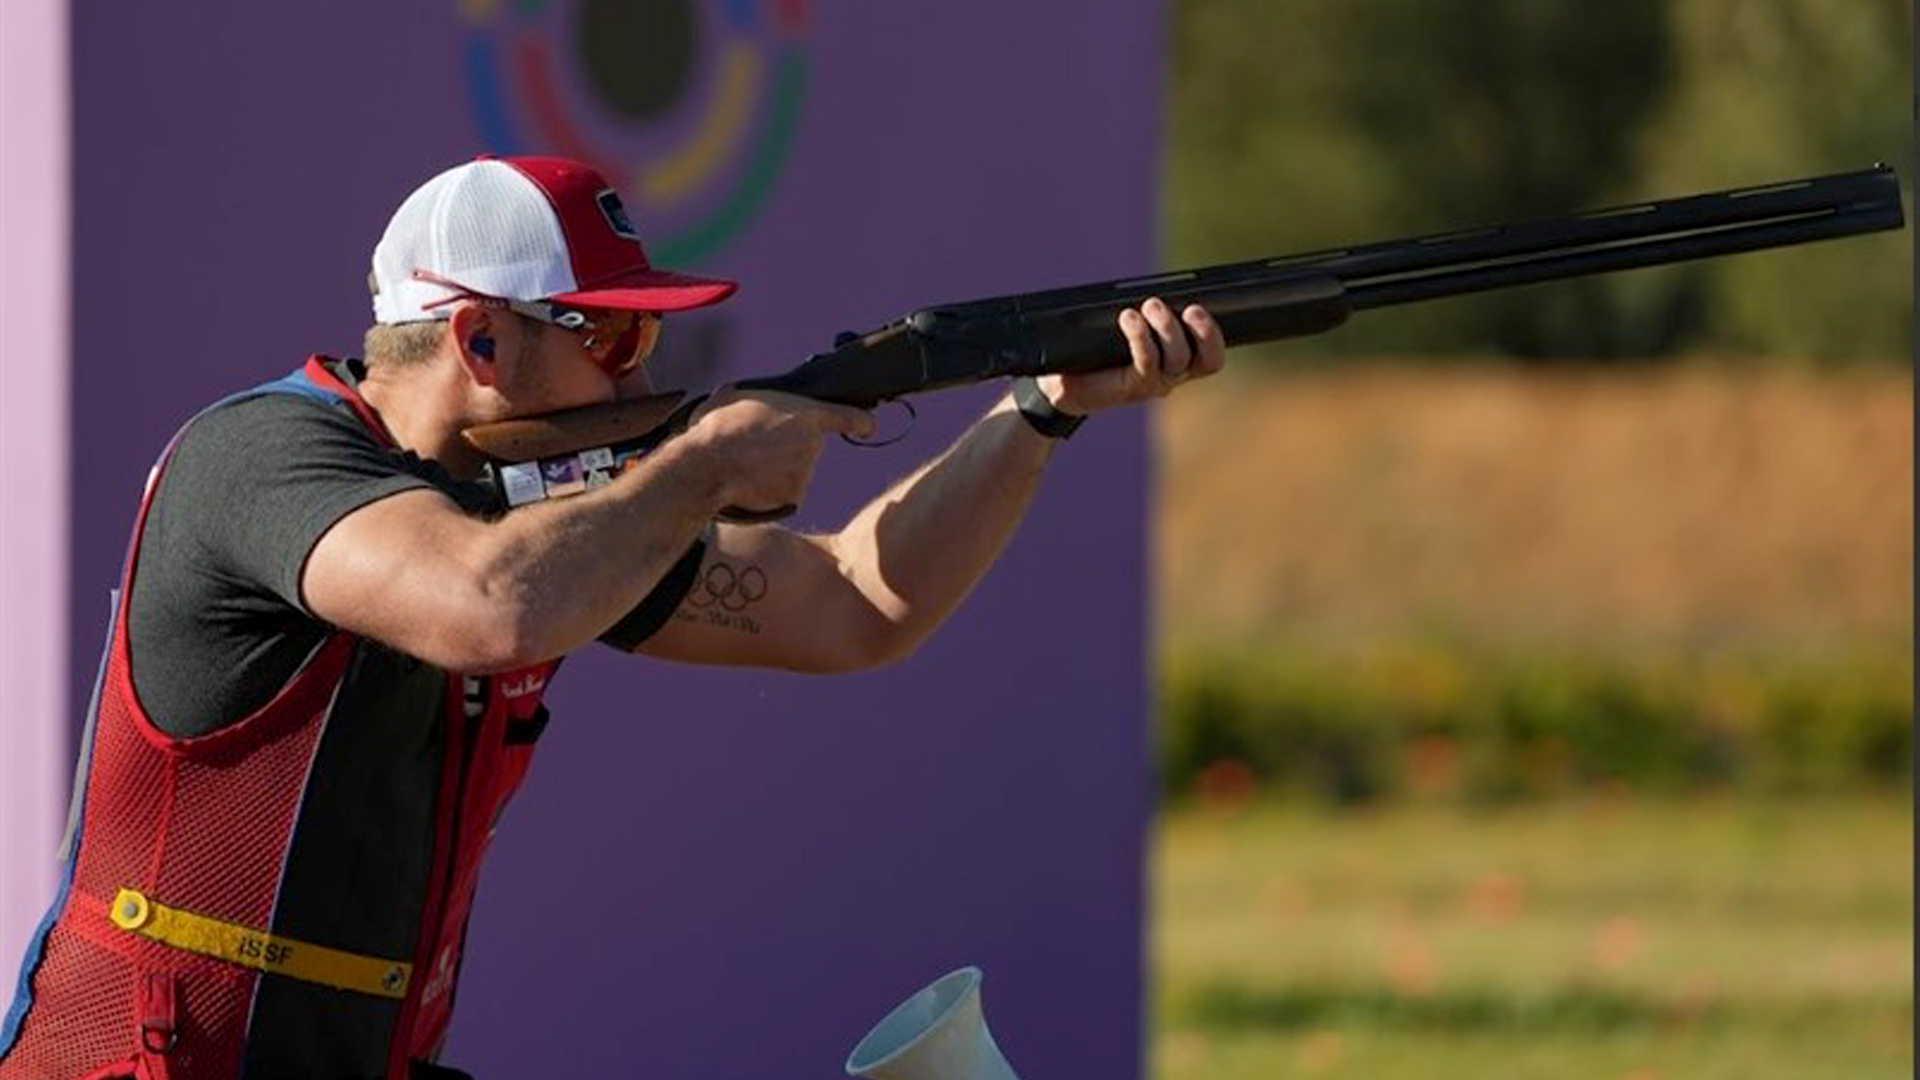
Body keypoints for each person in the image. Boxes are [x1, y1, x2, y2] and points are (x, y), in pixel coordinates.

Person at [0, 155, 1225, 1080]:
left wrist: (1041, 410)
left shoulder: (533, 512)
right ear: (479, 336)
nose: (643, 382)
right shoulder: (262, 454)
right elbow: (489, 605)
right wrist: (693, 471)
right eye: (619, 335)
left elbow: (852, 605)